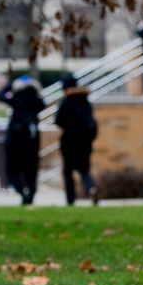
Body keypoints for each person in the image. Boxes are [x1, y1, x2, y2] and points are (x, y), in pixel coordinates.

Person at [0, 74, 45, 205]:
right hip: (32, 142)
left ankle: (22, 192)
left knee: (12, 171)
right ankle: (31, 193)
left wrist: (11, 84)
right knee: (31, 170)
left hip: (15, 141)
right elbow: (42, 101)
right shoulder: (37, 101)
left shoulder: (17, 100)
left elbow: (0, 95)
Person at [54, 74, 99, 206]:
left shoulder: (66, 102)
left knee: (68, 172)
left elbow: (58, 121)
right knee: (84, 170)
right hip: (85, 142)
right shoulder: (86, 101)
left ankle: (70, 200)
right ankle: (90, 188)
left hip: (69, 142)